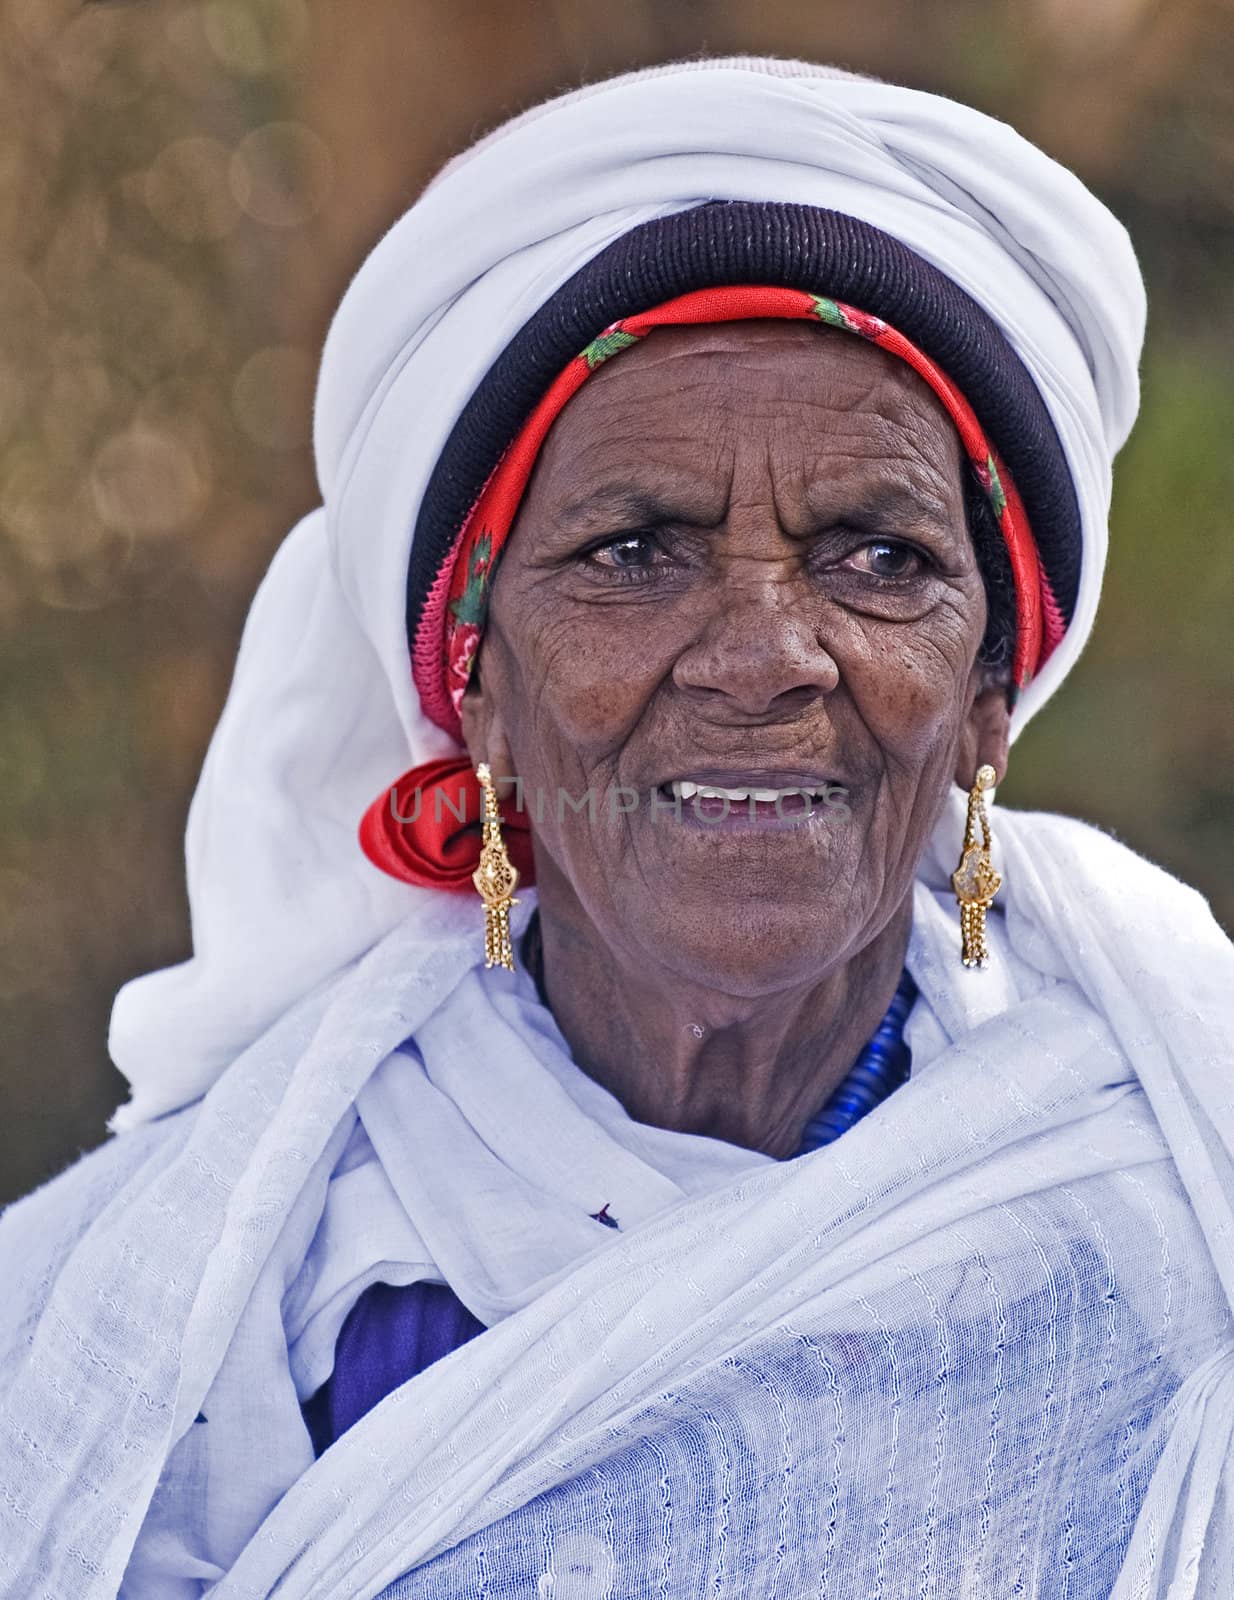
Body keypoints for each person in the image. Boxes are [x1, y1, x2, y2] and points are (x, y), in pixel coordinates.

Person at [2, 56, 1233, 1600]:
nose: (764, 650)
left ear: (990, 691)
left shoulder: (1173, 1214)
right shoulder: (186, 1318)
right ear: (481, 690)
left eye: (875, 553)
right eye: (633, 549)